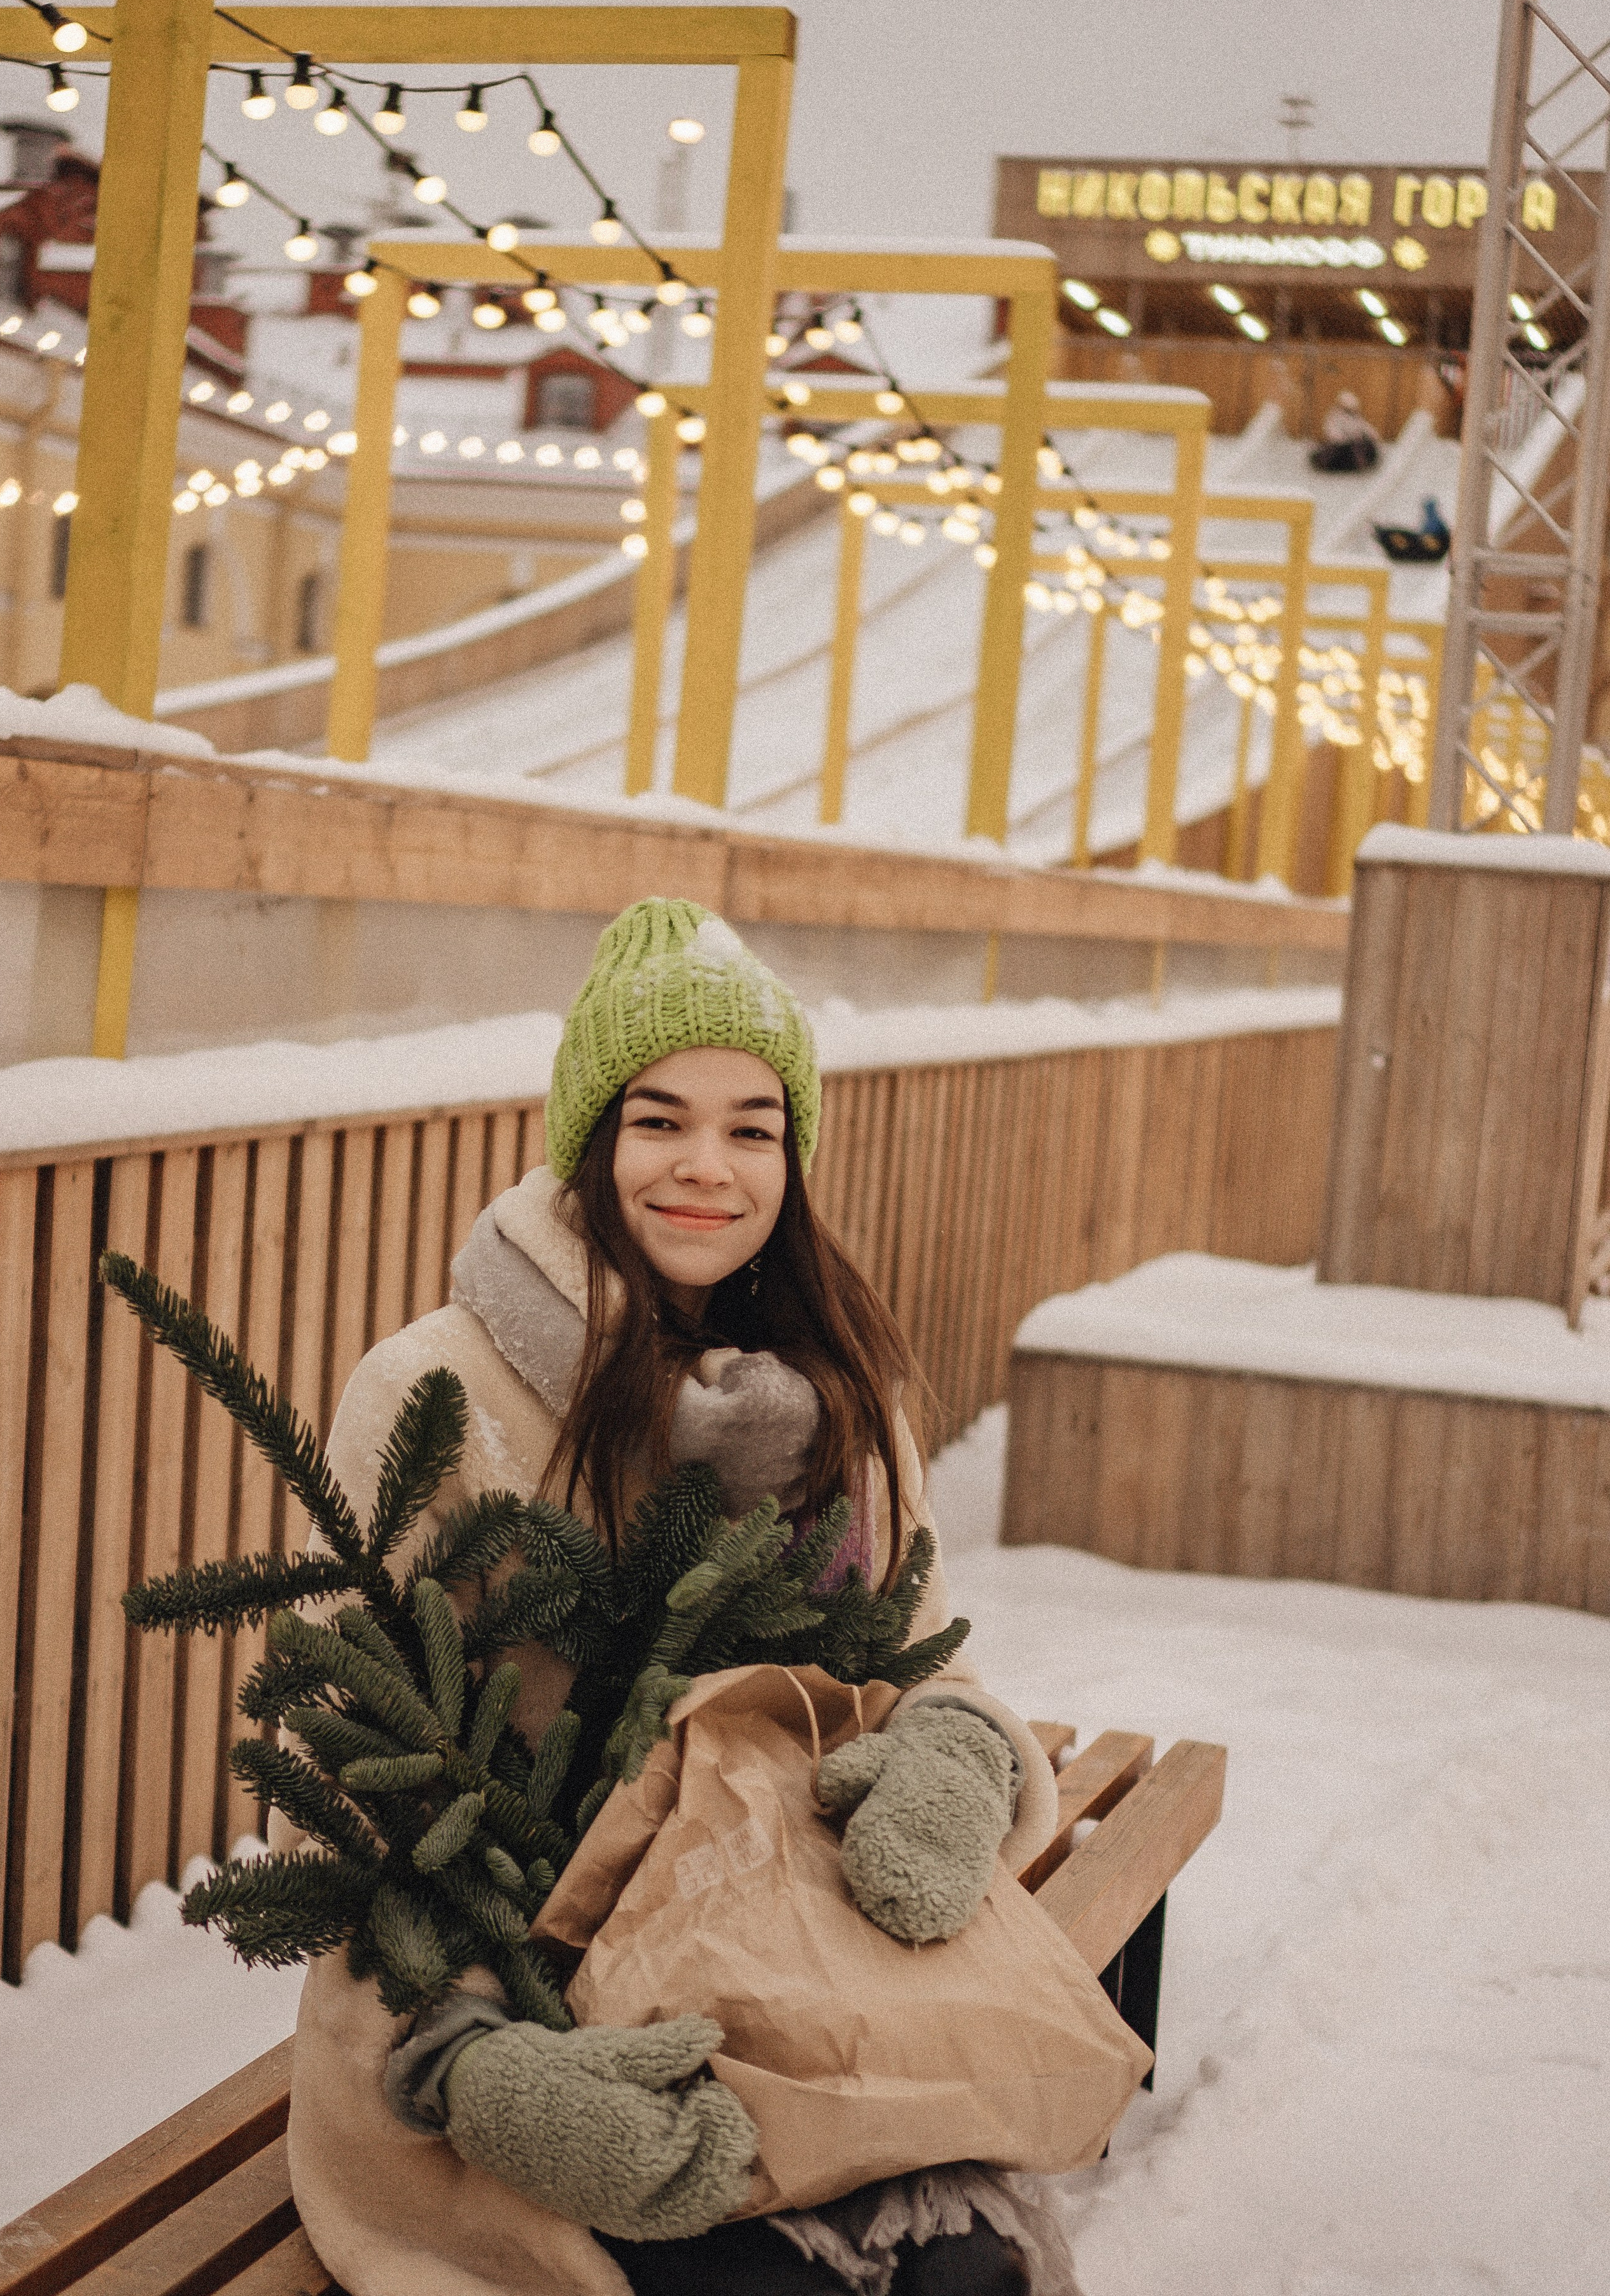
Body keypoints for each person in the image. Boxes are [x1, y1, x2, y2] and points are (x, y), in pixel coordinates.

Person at [280, 898, 1074, 2296]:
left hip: (786, 1971)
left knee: (966, 2279)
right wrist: (473, 2057)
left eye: (751, 1127)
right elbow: (337, 1777)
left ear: (793, 1157)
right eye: (659, 1120)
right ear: (591, 1142)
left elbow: (918, 1662)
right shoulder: (436, 1391)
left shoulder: (845, 1393)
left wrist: (950, 1757)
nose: (706, 1166)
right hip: (507, 2020)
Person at [1310, 388, 1380, 472]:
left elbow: (1365, 427)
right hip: (1340, 447)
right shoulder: (1333, 417)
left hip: (1355, 445)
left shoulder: (1356, 417)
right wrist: (1346, 439)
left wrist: (1372, 435)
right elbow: (1332, 433)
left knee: (1366, 448)